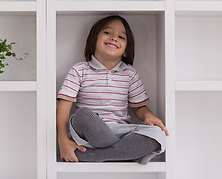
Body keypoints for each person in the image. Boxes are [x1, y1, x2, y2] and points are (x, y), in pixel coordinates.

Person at [56, 15, 169, 164]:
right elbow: (63, 109)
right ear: (93, 40)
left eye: (121, 36)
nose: (114, 38)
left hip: (120, 132)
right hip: (88, 134)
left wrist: (149, 116)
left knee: (157, 134)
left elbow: (140, 107)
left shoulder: (130, 73)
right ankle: (129, 154)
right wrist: (63, 141)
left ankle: (94, 156)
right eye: (107, 33)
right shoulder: (80, 70)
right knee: (83, 115)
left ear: (126, 51)